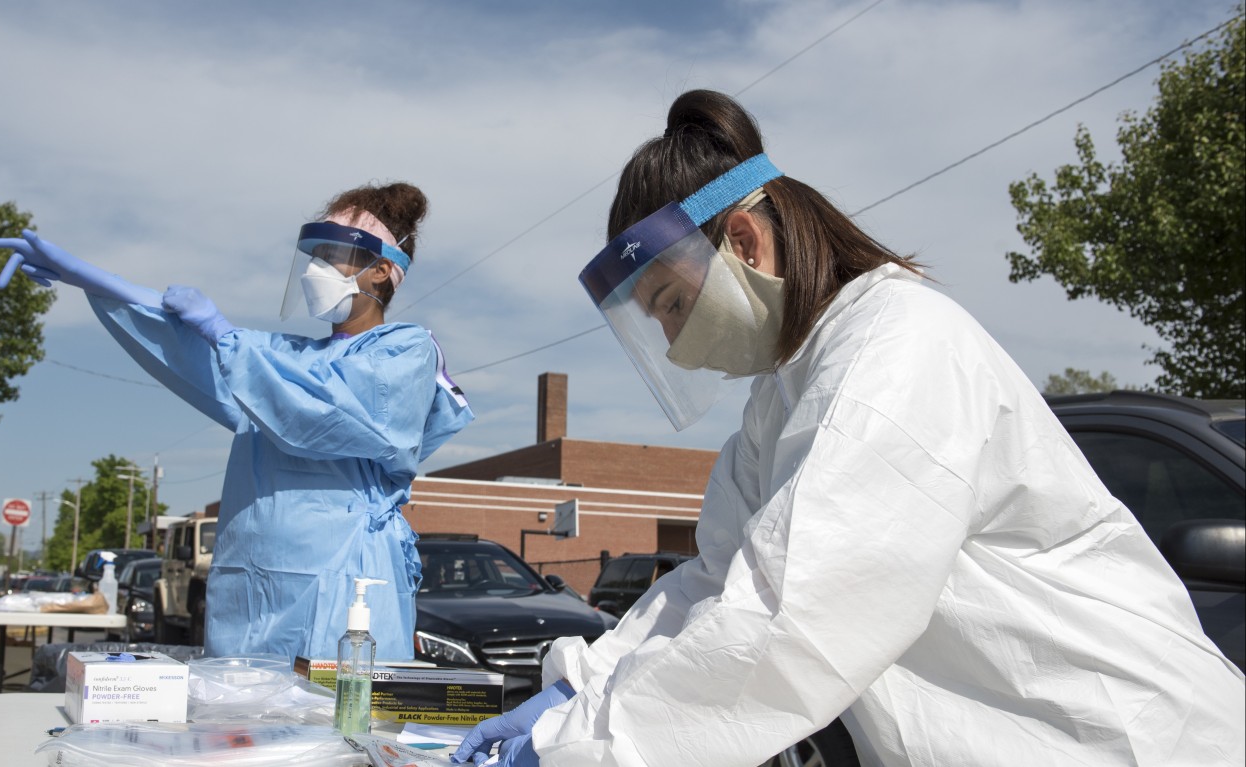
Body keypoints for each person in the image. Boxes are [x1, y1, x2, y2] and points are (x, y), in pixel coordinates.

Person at [452, 90, 1244, 766]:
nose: (669, 340)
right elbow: (711, 588)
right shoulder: (780, 405)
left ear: (745, 242)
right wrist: (577, 687)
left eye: (669, 303)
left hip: (1132, 740)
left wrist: (580, 743)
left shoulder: (899, 349)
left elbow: (792, 613)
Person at [0, 182, 473, 661]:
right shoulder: (285, 359)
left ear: (382, 272)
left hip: (344, 590)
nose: (317, 269)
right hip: (251, 590)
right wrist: (90, 278)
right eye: (316, 255)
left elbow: (320, 411)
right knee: (239, 722)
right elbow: (196, 349)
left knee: (330, 730)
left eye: (334, 255)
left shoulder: (404, 352)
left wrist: (224, 335)